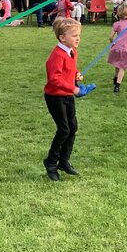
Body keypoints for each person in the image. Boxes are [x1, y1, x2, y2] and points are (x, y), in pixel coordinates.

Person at [43, 17, 84, 181]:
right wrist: (73, 88)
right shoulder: (57, 55)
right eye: (74, 35)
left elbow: (70, 68)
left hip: (67, 96)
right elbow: (55, 79)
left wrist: (76, 74)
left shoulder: (72, 51)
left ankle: (64, 161)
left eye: (79, 35)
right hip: (55, 97)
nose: (78, 38)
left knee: (72, 127)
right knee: (64, 129)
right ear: (62, 37)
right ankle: (51, 162)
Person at [107, 3, 127, 93]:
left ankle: (115, 78)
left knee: (118, 63)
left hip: (116, 47)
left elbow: (110, 37)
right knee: (122, 66)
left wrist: (112, 43)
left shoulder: (117, 24)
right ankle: (117, 85)